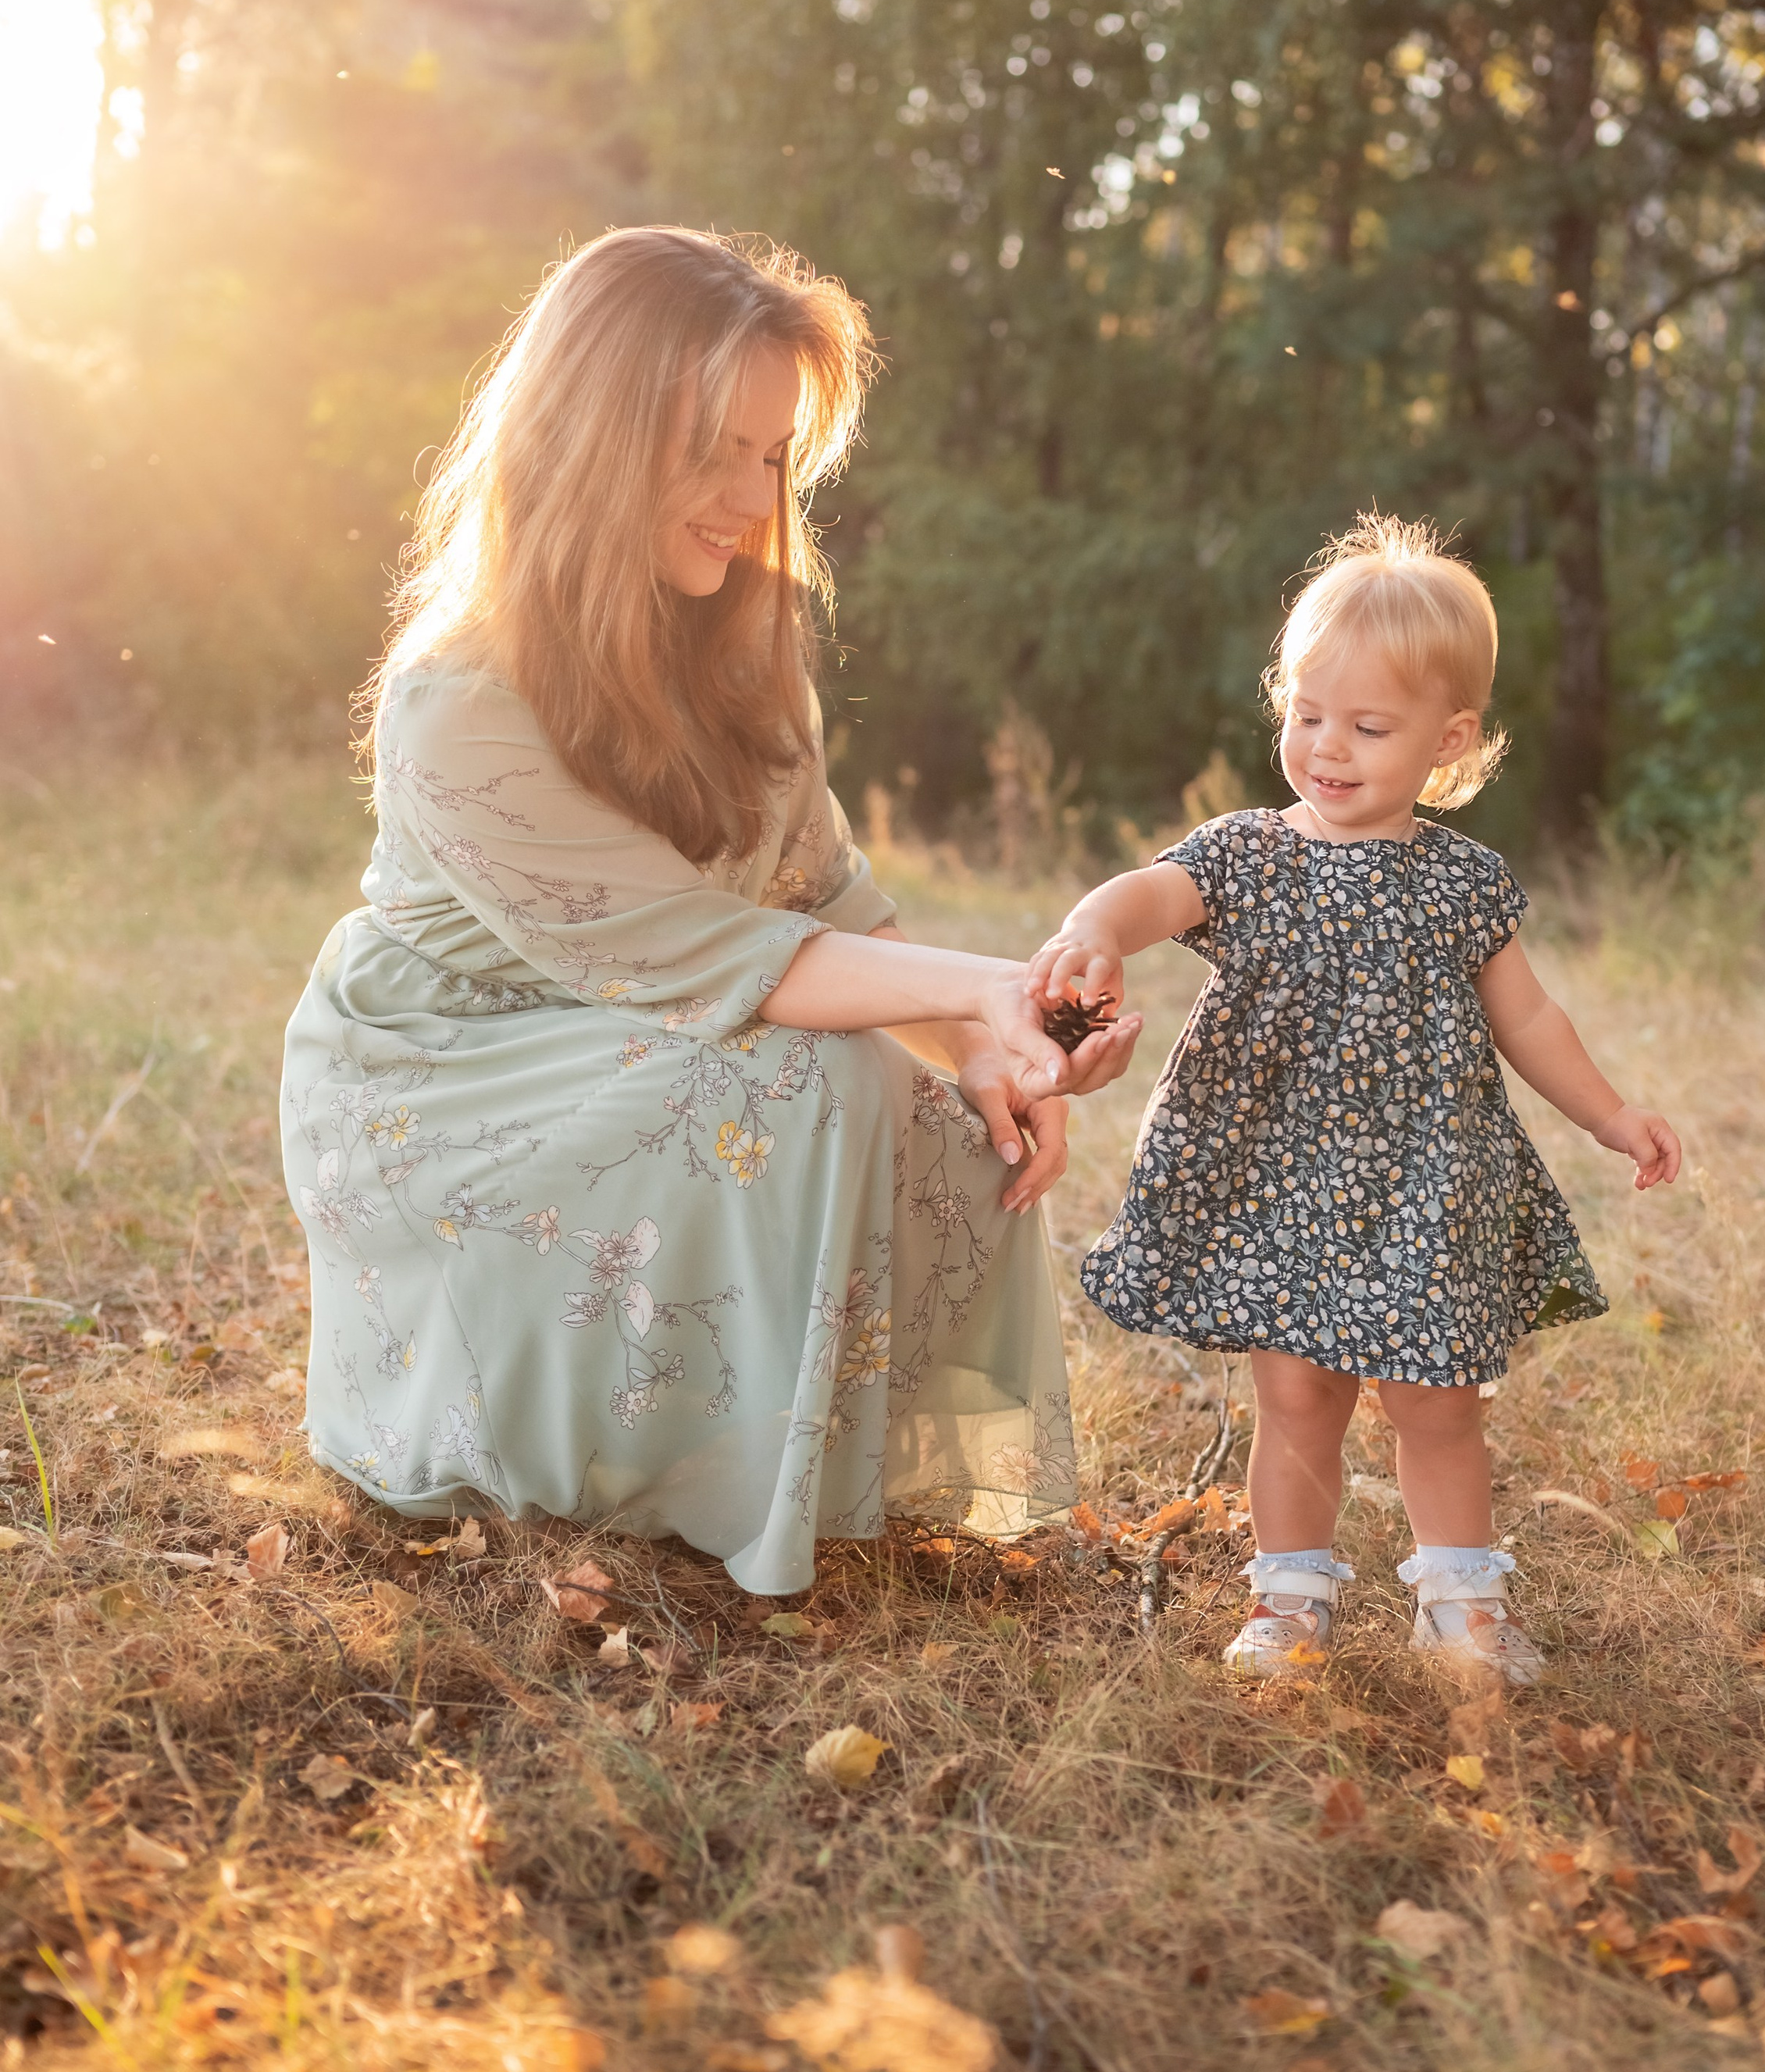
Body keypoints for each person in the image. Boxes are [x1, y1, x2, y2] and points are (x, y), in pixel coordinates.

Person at [280, 227, 1138, 1596]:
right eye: (716, 451)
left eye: (774, 456)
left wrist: (988, 1051)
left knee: (939, 1122)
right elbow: (715, 956)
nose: (752, 497)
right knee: (812, 1084)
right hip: (454, 1077)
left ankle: (780, 1462)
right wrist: (982, 988)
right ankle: (634, 1463)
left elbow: (826, 897)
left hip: (664, 1026)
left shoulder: (740, 644)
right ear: (597, 439)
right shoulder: (459, 702)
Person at [1026, 512, 1679, 1684]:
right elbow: (1151, 893)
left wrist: (1612, 1115)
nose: (1328, 747)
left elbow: (1529, 1020)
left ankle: (1462, 1607)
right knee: (1298, 1396)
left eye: (1369, 727)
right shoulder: (1249, 854)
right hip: (1279, 1172)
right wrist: (1094, 928)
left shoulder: (1464, 881)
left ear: (1448, 739)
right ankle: (1288, 1600)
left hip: (1427, 1175)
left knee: (1438, 1400)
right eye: (1307, 714)